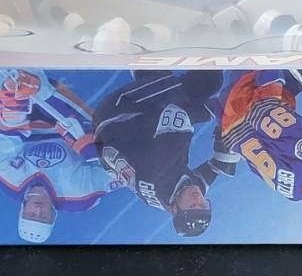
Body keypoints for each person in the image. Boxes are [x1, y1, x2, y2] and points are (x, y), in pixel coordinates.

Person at [0, 69, 122, 243]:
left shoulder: (8, 179)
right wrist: (99, 153)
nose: (38, 210)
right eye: (43, 217)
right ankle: (37, 83)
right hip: (69, 122)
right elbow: (127, 172)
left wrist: (13, 103)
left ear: (21, 211)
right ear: (53, 215)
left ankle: (18, 84)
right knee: (89, 141)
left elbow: (6, 135)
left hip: (26, 125)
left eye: (31, 215)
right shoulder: (80, 196)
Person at [211, 70, 302, 227]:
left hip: (242, 93)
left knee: (300, 63)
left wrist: (273, 70)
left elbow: (263, 109)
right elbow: (291, 158)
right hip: (227, 122)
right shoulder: (296, 194)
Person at [92, 70, 226, 237]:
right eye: (204, 205)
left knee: (208, 83)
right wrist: (226, 155)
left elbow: (176, 112)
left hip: (118, 112)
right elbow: (219, 166)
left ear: (175, 210)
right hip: (131, 132)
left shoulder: (161, 171)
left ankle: (145, 66)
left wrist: (225, 117)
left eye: (193, 206)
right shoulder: (180, 196)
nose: (198, 199)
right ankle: (149, 74)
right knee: (206, 104)